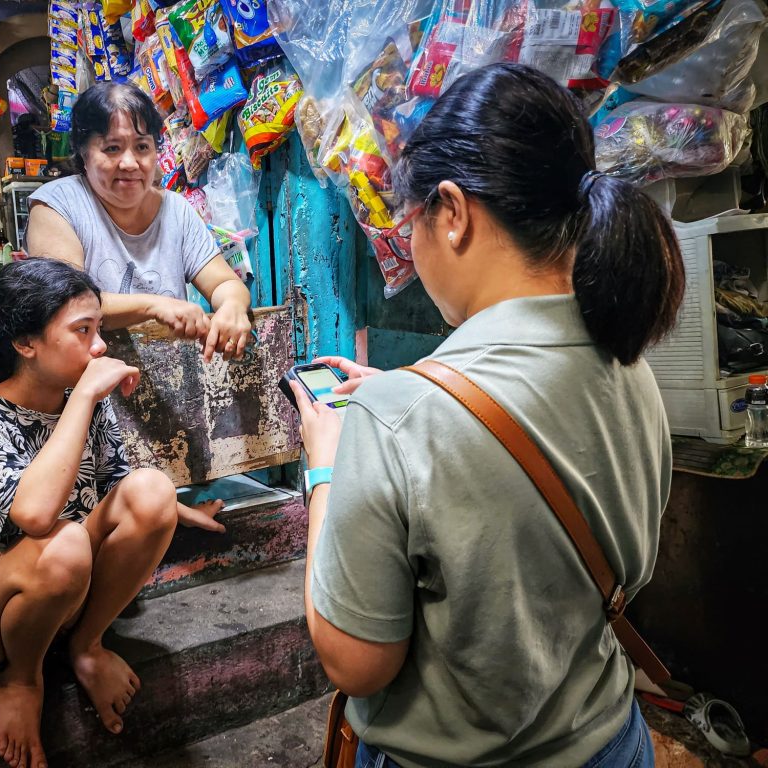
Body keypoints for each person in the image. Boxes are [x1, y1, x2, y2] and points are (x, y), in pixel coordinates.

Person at [290, 63, 684, 768]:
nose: (410, 245)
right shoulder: (631, 365)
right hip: (613, 744)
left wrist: (328, 465)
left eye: (410, 222)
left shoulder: (391, 421)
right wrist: (415, 393)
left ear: (452, 211)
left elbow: (354, 664)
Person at [0, 259, 225, 768]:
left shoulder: (83, 400)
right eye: (83, 331)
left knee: (153, 488)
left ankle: (85, 645)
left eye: (99, 329)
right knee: (62, 540)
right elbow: (34, 515)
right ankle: (21, 679)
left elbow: (118, 484)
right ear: (25, 344)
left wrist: (174, 510)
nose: (100, 347)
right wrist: (87, 394)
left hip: (72, 583)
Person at [26, 81, 251, 363]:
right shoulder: (57, 205)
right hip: (88, 389)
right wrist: (154, 306)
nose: (130, 163)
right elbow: (67, 303)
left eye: (142, 146)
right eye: (112, 148)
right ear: (84, 154)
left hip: (176, 383)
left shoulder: (176, 209)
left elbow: (222, 283)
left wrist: (232, 306)